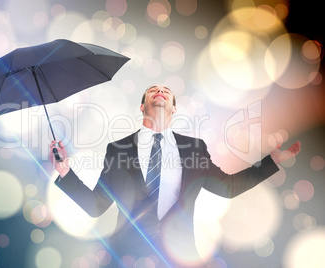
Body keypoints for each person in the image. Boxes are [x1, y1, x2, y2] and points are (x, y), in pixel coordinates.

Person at [49, 84, 301, 267]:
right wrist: (65, 173)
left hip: (177, 257)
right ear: (142, 106)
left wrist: (272, 161)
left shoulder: (194, 148)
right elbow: (96, 205)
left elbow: (228, 187)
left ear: (174, 108)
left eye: (166, 91)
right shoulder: (118, 149)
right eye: (152, 90)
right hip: (126, 255)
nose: (159, 91)